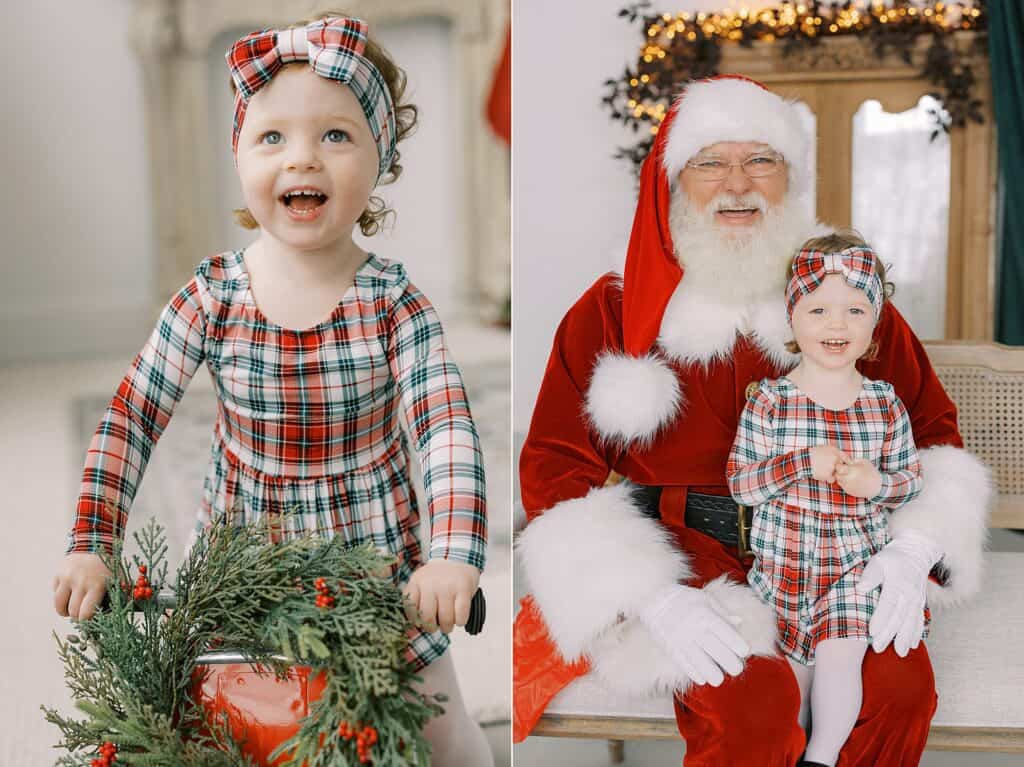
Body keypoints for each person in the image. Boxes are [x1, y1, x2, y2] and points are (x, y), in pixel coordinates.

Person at [52, 13, 493, 765]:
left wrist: (452, 554)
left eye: (335, 136)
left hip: (373, 555)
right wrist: (92, 541)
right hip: (242, 552)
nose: (303, 159)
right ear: (241, 156)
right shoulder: (213, 293)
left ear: (379, 160)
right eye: (273, 137)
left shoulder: (395, 303)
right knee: (232, 716)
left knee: (438, 723)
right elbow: (131, 416)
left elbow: (445, 426)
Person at [513, 75, 991, 767]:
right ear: (674, 181)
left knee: (897, 691)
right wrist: (652, 595)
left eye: (760, 160)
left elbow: (932, 432)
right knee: (756, 709)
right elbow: (554, 468)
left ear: (789, 177)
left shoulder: (837, 296)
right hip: (689, 557)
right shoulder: (611, 310)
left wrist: (913, 549)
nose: (738, 184)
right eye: (711, 163)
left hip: (836, 544)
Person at [727, 231, 931, 767]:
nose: (836, 325)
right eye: (818, 309)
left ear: (875, 323)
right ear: (792, 319)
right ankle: (793, 752)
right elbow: (741, 484)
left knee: (841, 655)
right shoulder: (771, 401)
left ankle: (822, 756)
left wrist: (876, 485)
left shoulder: (883, 404)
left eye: (855, 310)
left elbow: (910, 481)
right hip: (784, 562)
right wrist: (799, 464)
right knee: (792, 671)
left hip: (854, 564)